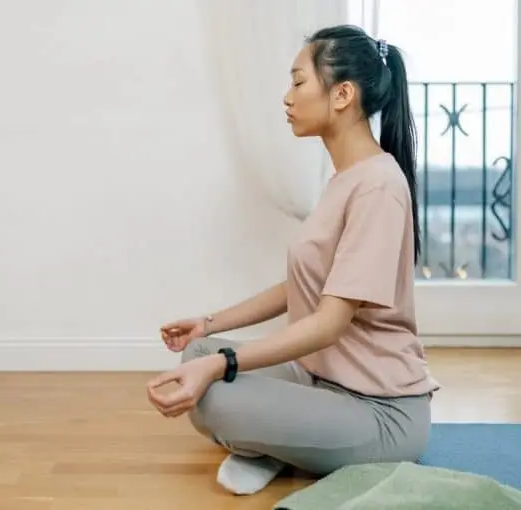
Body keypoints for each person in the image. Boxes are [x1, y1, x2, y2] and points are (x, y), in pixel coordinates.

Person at [146, 24, 441, 496]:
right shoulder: (344, 178)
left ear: (342, 94)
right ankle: (284, 440)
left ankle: (276, 443)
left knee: (214, 395)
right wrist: (208, 325)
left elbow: (328, 323)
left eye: (298, 82)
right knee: (196, 356)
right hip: (323, 379)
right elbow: (299, 286)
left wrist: (223, 364)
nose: (287, 97)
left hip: (381, 413)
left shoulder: (379, 187)